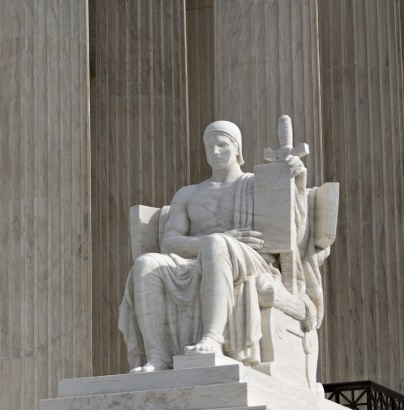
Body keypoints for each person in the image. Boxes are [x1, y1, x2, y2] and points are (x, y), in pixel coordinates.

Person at [118, 120, 308, 373]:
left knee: (215, 243)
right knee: (146, 263)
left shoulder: (257, 185)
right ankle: (157, 356)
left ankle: (213, 339)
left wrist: (298, 180)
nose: (215, 152)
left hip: (251, 260)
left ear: (237, 149)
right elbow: (170, 243)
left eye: (222, 145)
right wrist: (223, 236)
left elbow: (295, 227)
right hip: (195, 260)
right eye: (210, 146)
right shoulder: (187, 194)